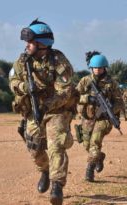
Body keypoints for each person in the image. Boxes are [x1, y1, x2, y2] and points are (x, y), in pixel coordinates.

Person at [9, 19, 76, 205]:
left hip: (57, 110)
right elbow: (12, 80)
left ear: (41, 44)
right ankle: (45, 171)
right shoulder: (22, 60)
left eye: (30, 42)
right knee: (34, 147)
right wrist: (24, 86)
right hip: (33, 110)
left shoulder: (59, 61)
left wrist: (47, 105)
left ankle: (57, 185)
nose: (26, 45)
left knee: (56, 145)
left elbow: (65, 91)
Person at [76, 51, 123, 182]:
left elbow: (120, 101)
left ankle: (89, 170)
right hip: (88, 118)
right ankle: (99, 157)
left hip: (104, 120)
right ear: (91, 68)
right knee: (87, 145)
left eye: (100, 67)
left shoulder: (112, 83)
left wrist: (110, 110)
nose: (97, 70)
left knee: (95, 143)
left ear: (104, 68)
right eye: (95, 67)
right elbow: (74, 96)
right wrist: (88, 98)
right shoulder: (85, 81)